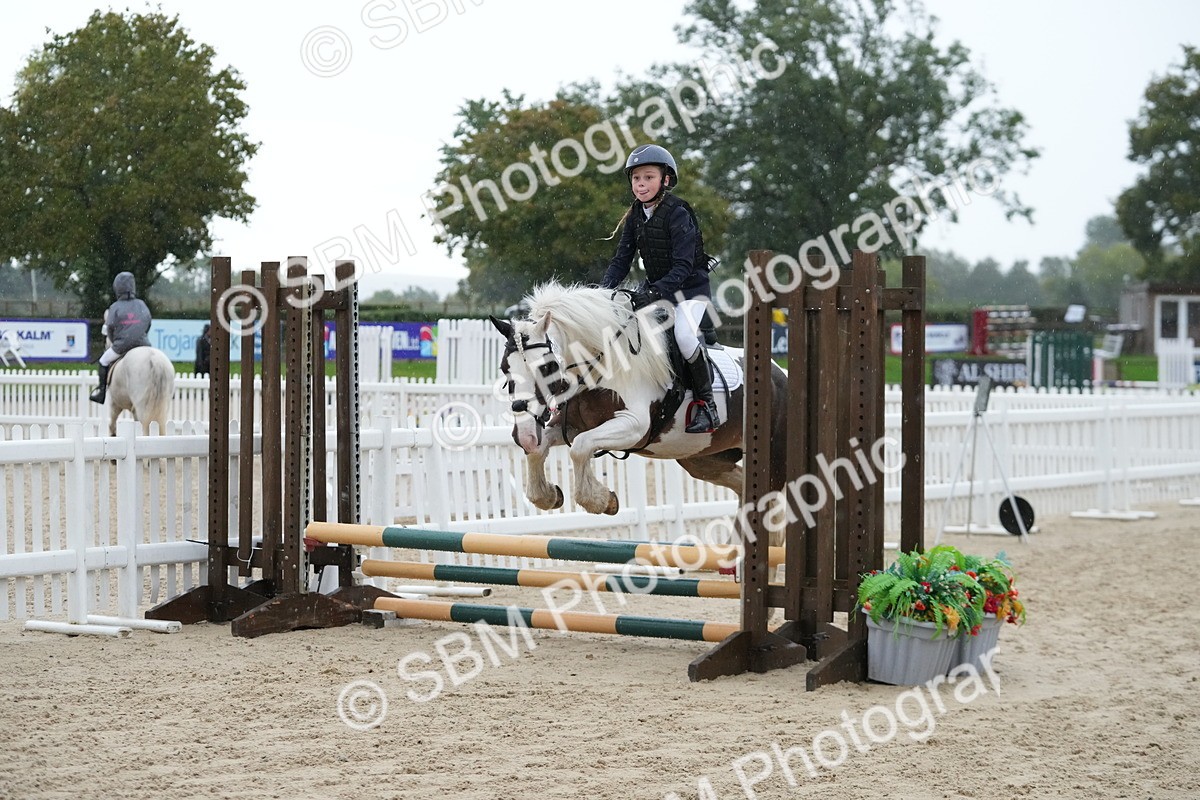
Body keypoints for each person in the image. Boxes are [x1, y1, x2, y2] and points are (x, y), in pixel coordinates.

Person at [600, 144, 719, 433]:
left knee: (684, 337)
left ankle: (708, 406)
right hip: (658, 291)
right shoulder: (635, 216)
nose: (641, 184)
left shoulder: (678, 213)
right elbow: (620, 261)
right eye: (636, 178)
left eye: (648, 177)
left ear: (665, 179)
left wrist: (653, 293)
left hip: (691, 291)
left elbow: (682, 267)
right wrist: (600, 294)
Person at [90, 271, 152, 404]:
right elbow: (148, 322)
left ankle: (101, 393)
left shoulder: (115, 307)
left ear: (117, 288)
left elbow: (110, 327)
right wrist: (141, 336)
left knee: (103, 361)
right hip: (143, 343)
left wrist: (115, 341)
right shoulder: (141, 304)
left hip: (122, 345)